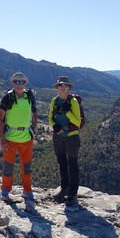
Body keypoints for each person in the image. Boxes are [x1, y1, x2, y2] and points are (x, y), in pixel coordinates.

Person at [0, 72, 38, 201]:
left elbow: (35, 113)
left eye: (22, 82)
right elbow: (0, 118)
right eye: (16, 82)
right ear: (12, 83)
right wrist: (2, 139)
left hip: (26, 138)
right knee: (8, 166)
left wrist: (34, 128)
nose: (19, 84)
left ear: (25, 83)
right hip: (10, 138)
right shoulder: (7, 97)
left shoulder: (30, 96)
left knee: (27, 167)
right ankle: (5, 190)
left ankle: (27, 191)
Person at [49, 76, 82, 205]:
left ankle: (73, 194)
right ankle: (64, 189)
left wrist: (67, 112)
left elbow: (77, 122)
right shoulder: (54, 100)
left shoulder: (73, 101)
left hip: (71, 136)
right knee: (62, 163)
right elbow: (50, 117)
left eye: (65, 85)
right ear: (57, 87)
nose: (63, 87)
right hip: (58, 136)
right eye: (61, 85)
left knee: (72, 165)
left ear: (69, 87)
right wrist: (55, 126)